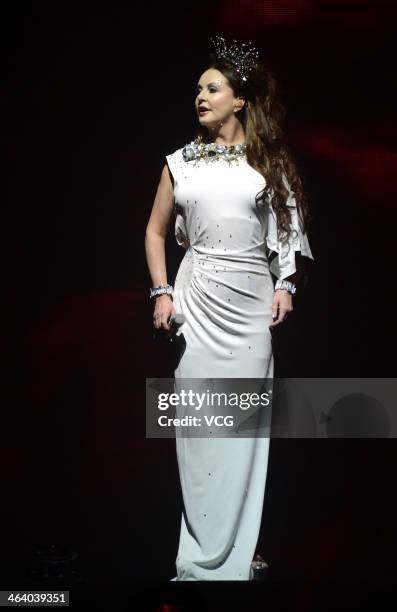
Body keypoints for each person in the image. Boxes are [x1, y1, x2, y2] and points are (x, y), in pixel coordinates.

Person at [145, 35, 315, 581]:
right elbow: (153, 232)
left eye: (212, 88)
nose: (200, 96)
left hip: (249, 307)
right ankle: (197, 555)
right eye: (197, 88)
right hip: (197, 304)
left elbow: (287, 231)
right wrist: (161, 291)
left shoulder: (268, 164)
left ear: (239, 100)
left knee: (243, 427)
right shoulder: (180, 163)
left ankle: (239, 553)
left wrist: (285, 283)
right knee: (200, 427)